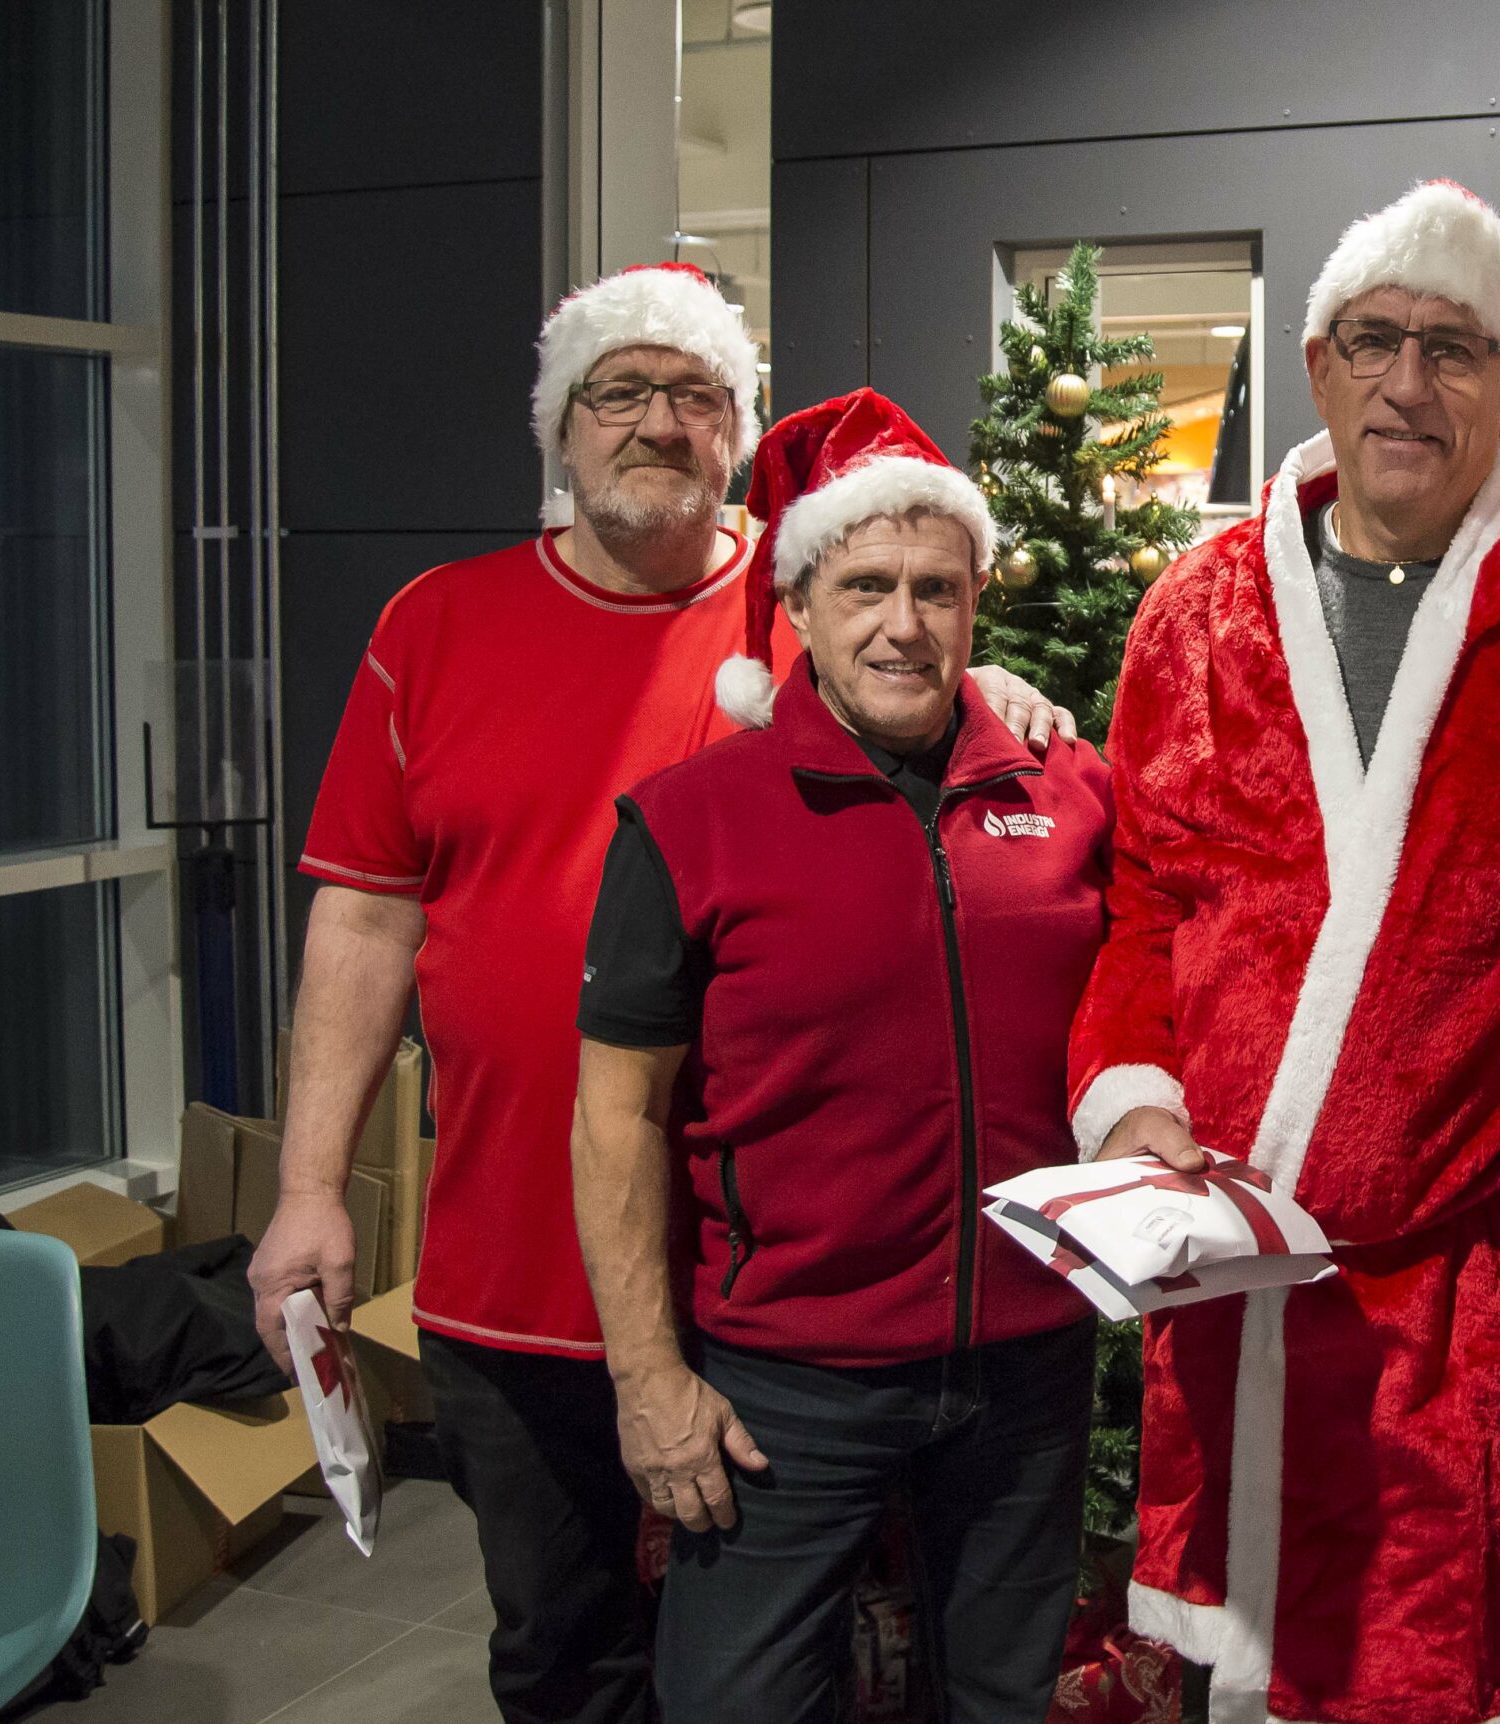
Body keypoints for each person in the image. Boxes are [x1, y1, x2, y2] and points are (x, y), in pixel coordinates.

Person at [246, 267, 1072, 1724]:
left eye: (696, 395)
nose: (656, 424)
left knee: (805, 1666)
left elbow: (908, 671)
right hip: (517, 1271)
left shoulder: (800, 604)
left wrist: (990, 680)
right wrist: (313, 1187)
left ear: (739, 433)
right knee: (567, 1654)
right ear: (559, 431)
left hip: (774, 1294)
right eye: (616, 392)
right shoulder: (435, 626)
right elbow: (366, 921)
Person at [1069, 182, 1500, 1724]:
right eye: (1375, 343)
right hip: (1234, 1277)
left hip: (1473, 1306)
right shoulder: (1195, 615)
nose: (1409, 384)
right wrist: (1135, 1100)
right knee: (1247, 1676)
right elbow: (1143, 896)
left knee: (1446, 1679)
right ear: (1317, 366)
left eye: (1455, 352)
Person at [570, 388, 1112, 1724]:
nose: (904, 625)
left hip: (1029, 1368)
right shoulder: (689, 825)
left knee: (1002, 1702)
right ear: (799, 606)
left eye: (938, 588)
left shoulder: (1069, 793)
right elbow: (617, 1118)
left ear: (978, 600)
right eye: (866, 585)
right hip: (787, 1386)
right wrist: (649, 1383)